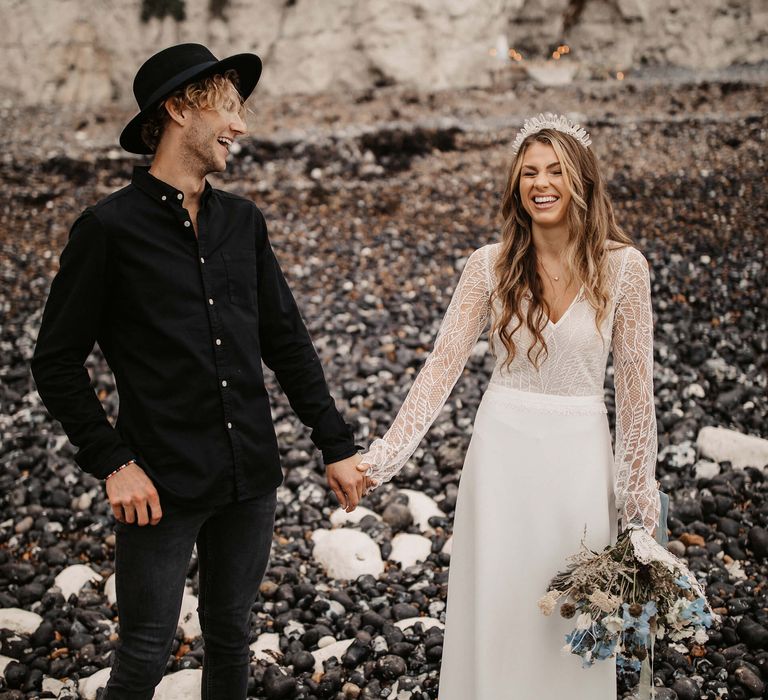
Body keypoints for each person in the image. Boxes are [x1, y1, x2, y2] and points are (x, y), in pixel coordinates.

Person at [31, 43, 367, 699]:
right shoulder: (107, 231)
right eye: (229, 109)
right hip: (160, 483)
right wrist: (113, 461)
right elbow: (55, 360)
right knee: (144, 655)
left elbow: (285, 340)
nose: (241, 126)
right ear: (180, 108)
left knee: (232, 639)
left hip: (250, 475)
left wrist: (335, 444)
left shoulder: (243, 222)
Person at [355, 114, 661, 699]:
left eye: (555, 171)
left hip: (579, 456)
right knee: (497, 605)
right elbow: (439, 369)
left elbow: (636, 397)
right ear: (516, 185)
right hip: (502, 453)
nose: (540, 183)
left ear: (582, 183)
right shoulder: (488, 265)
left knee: (573, 610)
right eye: (529, 172)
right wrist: (383, 458)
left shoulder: (625, 268)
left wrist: (640, 509)